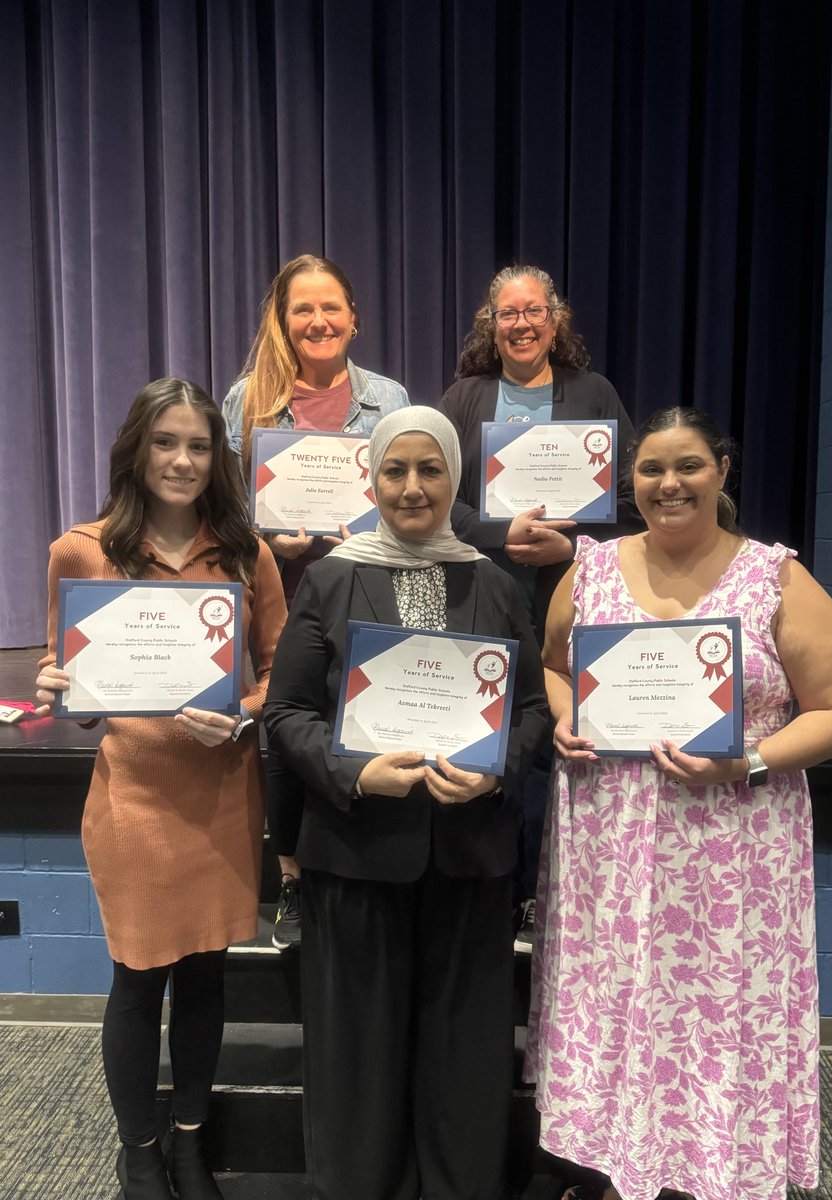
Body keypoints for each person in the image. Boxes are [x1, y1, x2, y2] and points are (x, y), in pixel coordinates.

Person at [526, 407, 832, 1200]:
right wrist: (567, 713)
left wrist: (744, 759)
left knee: (716, 1010)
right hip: (611, 841)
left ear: (722, 472)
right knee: (617, 1002)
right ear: (630, 481)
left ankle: (718, 1171)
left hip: (732, 846)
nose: (668, 483)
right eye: (650, 469)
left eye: (688, 467)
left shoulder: (777, 578)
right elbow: (553, 666)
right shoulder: (592, 568)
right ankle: (620, 1169)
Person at [264, 406, 549, 1200]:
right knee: (357, 1054)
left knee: (466, 1052)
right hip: (355, 854)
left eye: (431, 470)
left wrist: (497, 772)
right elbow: (286, 713)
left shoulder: (495, 583)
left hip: (469, 859)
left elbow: (530, 712)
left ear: (455, 478)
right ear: (373, 478)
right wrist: (355, 772)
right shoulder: (329, 577)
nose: (413, 487)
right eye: (397, 470)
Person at [35, 379, 287, 1200]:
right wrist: (59, 688)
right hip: (135, 801)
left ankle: (188, 1139)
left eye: (200, 445)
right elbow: (77, 699)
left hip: (221, 794)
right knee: (139, 979)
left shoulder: (248, 552)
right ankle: (137, 1149)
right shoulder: (81, 549)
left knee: (209, 975)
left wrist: (246, 717)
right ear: (137, 451)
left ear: (219, 458)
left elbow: (279, 675)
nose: (183, 460)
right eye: (166, 443)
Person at [438, 264, 639, 948]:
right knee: (490, 743)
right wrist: (501, 533)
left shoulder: (594, 394)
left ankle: (546, 897)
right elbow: (436, 498)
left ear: (557, 319)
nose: (521, 324)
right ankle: (495, 893)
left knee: (557, 753)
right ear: (490, 326)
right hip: (482, 603)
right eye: (508, 314)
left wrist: (570, 545)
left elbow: (636, 505)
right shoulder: (465, 398)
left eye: (534, 312)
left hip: (568, 606)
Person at [222, 253, 409, 949]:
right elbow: (224, 509)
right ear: (283, 319)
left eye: (331, 307)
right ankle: (294, 879)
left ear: (354, 319)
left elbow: (412, 492)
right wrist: (273, 544)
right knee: (284, 735)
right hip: (284, 596)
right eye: (303, 308)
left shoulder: (388, 401)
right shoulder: (248, 401)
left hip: (367, 592)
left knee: (361, 725)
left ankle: (357, 871)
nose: (318, 320)